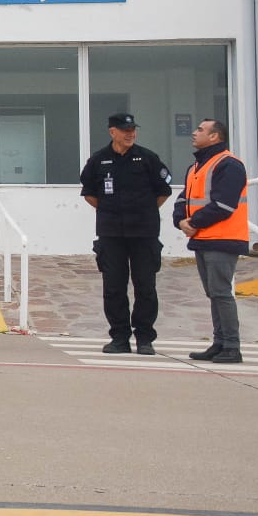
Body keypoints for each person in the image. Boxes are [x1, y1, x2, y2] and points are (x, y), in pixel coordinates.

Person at [79, 112, 173, 355]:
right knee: (113, 288)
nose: (130, 134)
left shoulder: (147, 158)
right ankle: (119, 337)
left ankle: (144, 338)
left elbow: (163, 190)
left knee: (145, 286)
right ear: (113, 132)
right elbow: (89, 192)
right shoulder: (99, 160)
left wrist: (144, 211)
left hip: (144, 233)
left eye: (132, 129)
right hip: (112, 234)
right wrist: (113, 211)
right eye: (124, 130)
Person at [172, 118, 249, 364]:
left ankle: (232, 347)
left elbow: (224, 205)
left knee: (221, 293)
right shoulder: (196, 167)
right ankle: (219, 343)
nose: (194, 133)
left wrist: (192, 223)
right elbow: (183, 200)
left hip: (223, 238)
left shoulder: (229, 165)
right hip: (204, 238)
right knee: (214, 293)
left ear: (215, 136)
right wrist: (180, 221)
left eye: (201, 130)